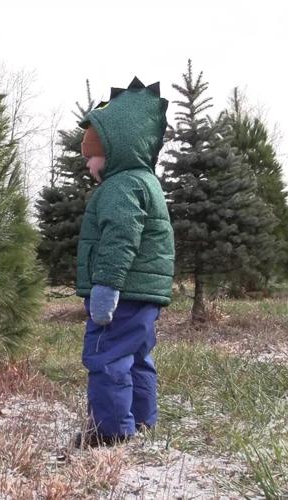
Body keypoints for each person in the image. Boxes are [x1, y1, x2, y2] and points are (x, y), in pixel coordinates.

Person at [74, 77, 174, 448]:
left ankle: (111, 432)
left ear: (115, 148)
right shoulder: (147, 181)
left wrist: (106, 287)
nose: (87, 164)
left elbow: (120, 239)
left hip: (123, 292)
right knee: (136, 356)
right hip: (144, 294)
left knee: (107, 357)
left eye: (91, 156)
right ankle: (143, 422)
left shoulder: (121, 186)